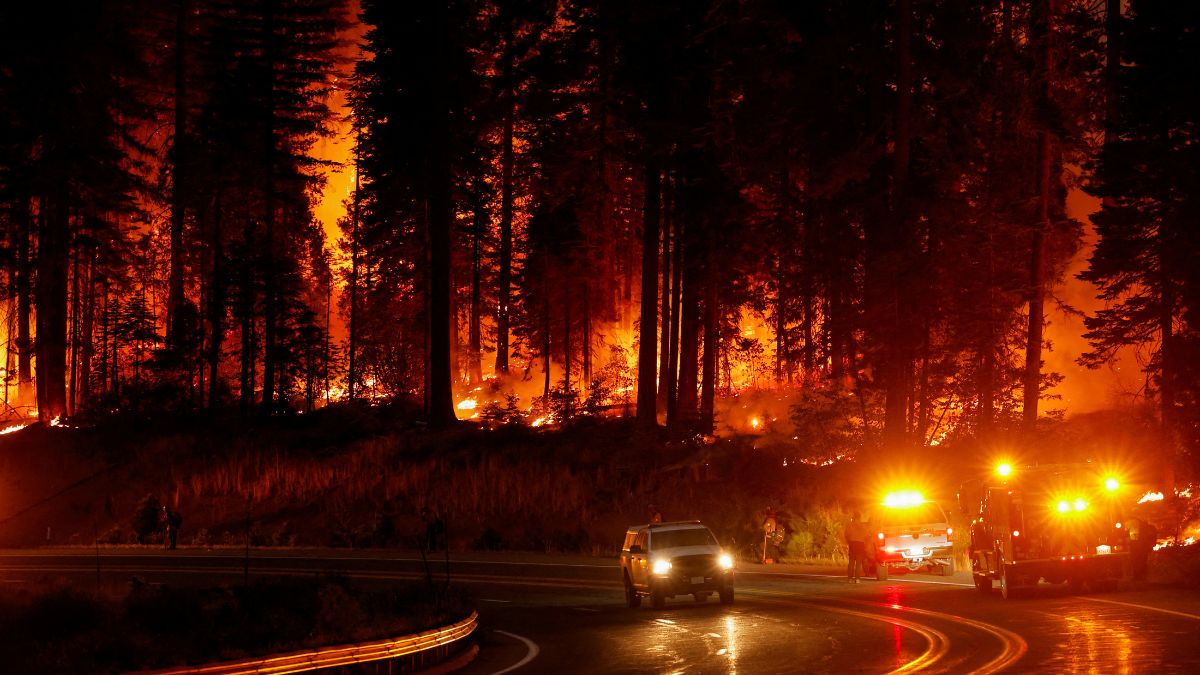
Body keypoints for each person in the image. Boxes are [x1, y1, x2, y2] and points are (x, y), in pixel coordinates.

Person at [845, 511, 869, 583]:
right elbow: (867, 536)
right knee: (858, 563)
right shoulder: (863, 526)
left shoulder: (850, 525)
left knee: (851, 562)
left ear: (854, 517)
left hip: (852, 544)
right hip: (860, 545)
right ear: (860, 517)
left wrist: (848, 542)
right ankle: (857, 579)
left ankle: (850, 579)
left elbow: (846, 534)